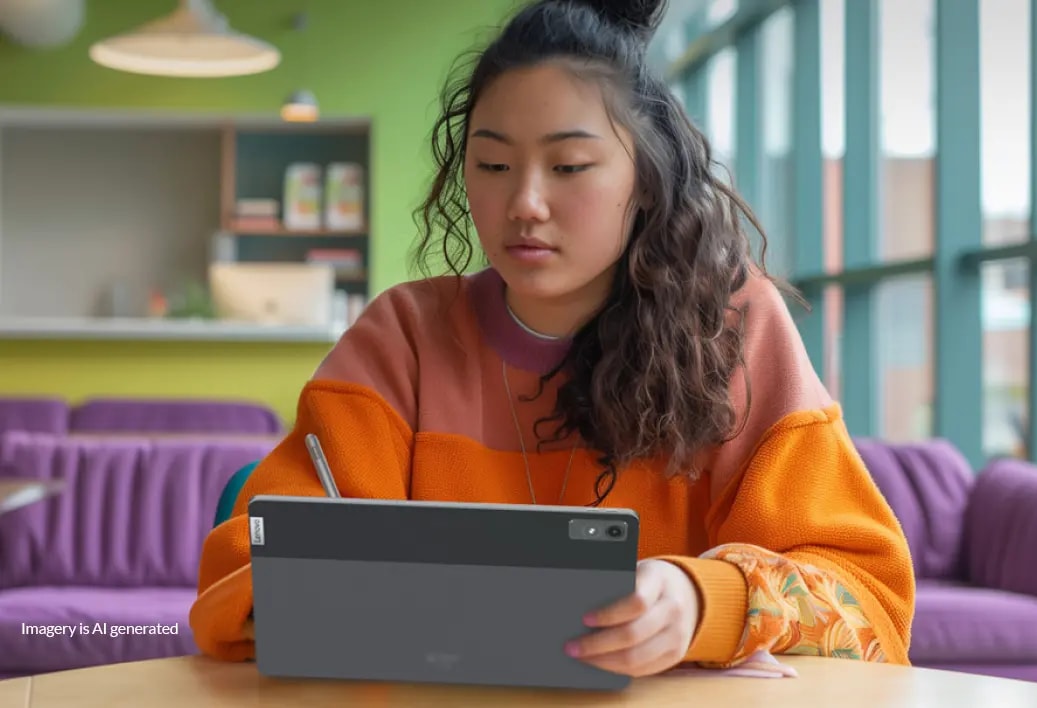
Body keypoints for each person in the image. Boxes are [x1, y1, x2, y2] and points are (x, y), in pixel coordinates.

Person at [190, 0, 915, 679]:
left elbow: (870, 601)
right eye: (493, 165)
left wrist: (706, 601)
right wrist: (312, 590)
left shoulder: (734, 331)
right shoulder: (401, 338)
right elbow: (239, 578)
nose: (524, 204)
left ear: (646, 177)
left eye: (569, 167)